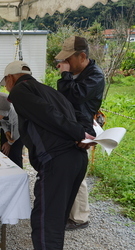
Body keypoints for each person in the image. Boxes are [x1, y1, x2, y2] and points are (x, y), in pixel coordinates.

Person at [2, 60, 95, 250]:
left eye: (6, 83)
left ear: (11, 78)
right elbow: (80, 113)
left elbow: (47, 114)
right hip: (77, 158)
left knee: (46, 218)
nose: (6, 87)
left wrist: (80, 133)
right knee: (57, 214)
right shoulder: (50, 90)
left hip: (57, 160)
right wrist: (88, 134)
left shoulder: (19, 91)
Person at [55, 36, 105, 230]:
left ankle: (80, 217)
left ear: (82, 56)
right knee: (69, 169)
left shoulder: (95, 75)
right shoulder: (78, 72)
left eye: (69, 59)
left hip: (83, 128)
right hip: (72, 125)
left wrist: (66, 75)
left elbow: (75, 96)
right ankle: (70, 210)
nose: (65, 63)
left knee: (77, 172)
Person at [0, 92, 24, 168]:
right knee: (4, 151)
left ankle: (18, 173)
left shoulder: (15, 114)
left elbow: (18, 130)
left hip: (20, 128)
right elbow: (1, 121)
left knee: (15, 154)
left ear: (5, 112)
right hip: (6, 124)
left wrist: (9, 143)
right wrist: (6, 131)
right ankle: (5, 171)